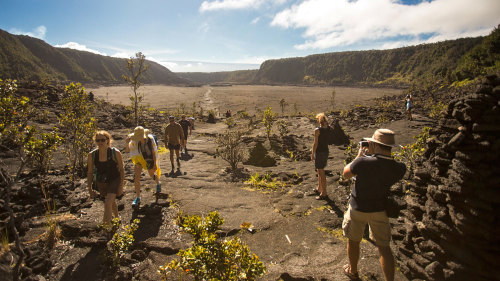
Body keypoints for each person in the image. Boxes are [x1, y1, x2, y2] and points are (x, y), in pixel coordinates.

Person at [341, 129, 406, 281]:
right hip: (380, 209)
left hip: (358, 207)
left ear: (374, 145)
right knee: (384, 247)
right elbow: (390, 167)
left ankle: (353, 271)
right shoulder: (398, 168)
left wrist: (358, 157)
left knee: (354, 240)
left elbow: (346, 174)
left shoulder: (363, 162)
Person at [87, 131, 125, 224]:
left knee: (107, 203)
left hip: (114, 179)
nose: (100, 142)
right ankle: (117, 217)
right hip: (102, 181)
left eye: (103, 140)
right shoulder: (92, 155)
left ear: (108, 140)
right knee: (110, 201)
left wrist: (121, 185)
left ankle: (106, 228)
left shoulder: (115, 153)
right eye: (98, 140)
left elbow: (121, 169)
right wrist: (90, 188)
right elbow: (90, 172)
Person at [125, 126, 161, 208]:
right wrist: (127, 143)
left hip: (148, 158)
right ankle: (138, 197)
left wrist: (155, 164)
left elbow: (153, 153)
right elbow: (128, 150)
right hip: (138, 159)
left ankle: (158, 183)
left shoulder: (149, 140)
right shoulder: (134, 141)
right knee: (136, 178)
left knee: (151, 174)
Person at [311, 113, 330, 200]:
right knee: (319, 170)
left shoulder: (317, 130)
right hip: (325, 151)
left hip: (319, 152)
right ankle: (320, 188)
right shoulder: (328, 129)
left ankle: (324, 193)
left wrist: (312, 153)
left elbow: (315, 143)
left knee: (321, 172)